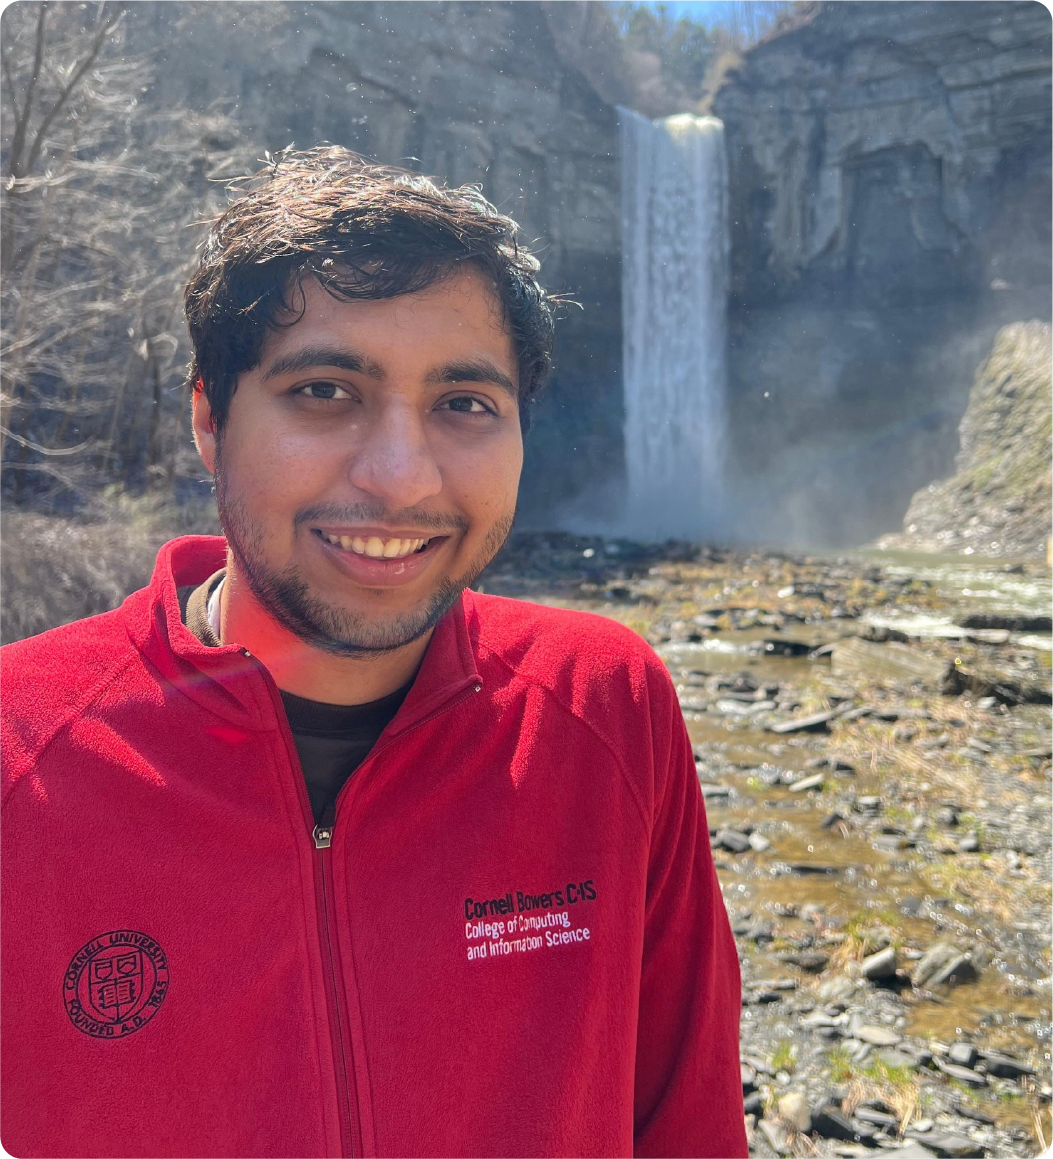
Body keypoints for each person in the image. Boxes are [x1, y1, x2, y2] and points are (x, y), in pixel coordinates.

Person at [0, 147, 747, 1159]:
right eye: (323, 391)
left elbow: (690, 1129)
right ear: (211, 422)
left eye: (465, 405)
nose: (400, 478)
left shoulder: (606, 704)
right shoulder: (21, 749)